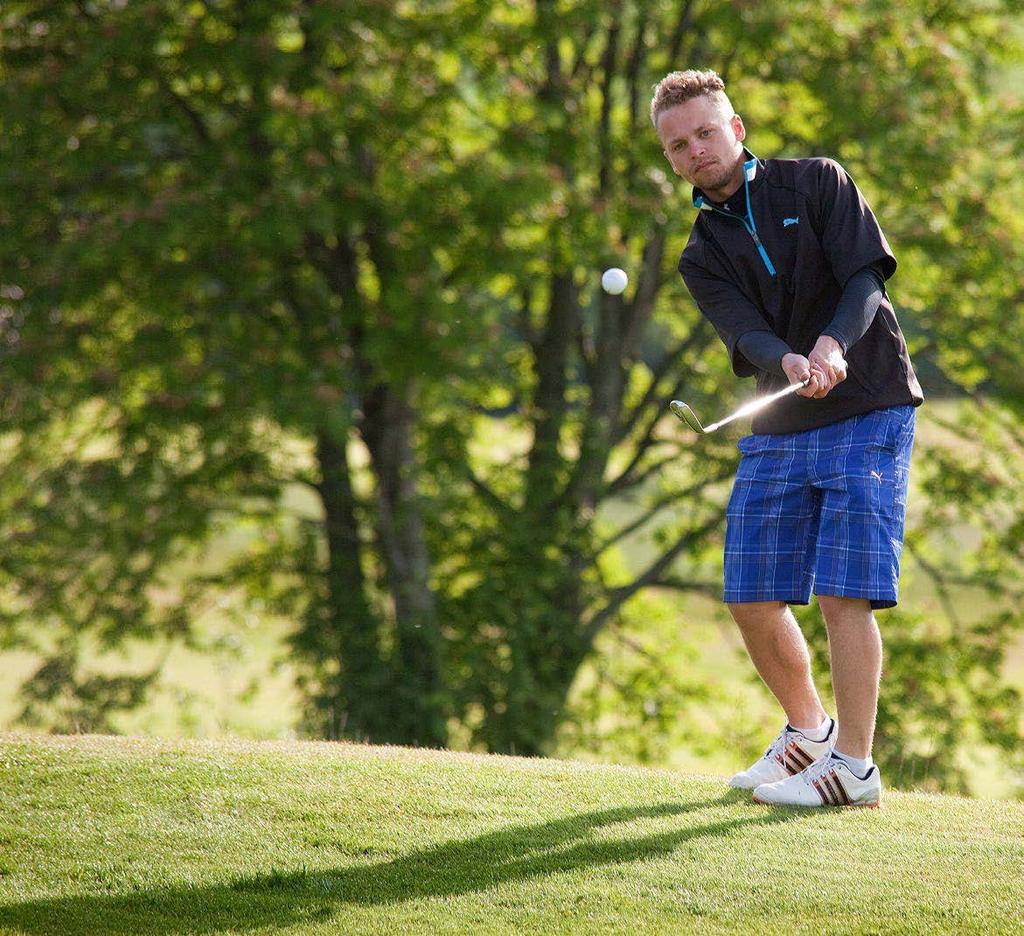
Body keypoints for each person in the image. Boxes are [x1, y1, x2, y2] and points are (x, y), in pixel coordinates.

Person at [651, 69, 923, 808]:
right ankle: (807, 732)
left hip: (869, 403)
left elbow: (866, 279)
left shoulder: (816, 184)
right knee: (750, 591)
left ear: (736, 129)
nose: (695, 150)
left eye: (705, 132)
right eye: (678, 145)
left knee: (845, 592)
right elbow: (745, 332)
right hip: (784, 414)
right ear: (670, 159)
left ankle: (855, 769)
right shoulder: (699, 254)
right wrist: (789, 360)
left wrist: (833, 345)